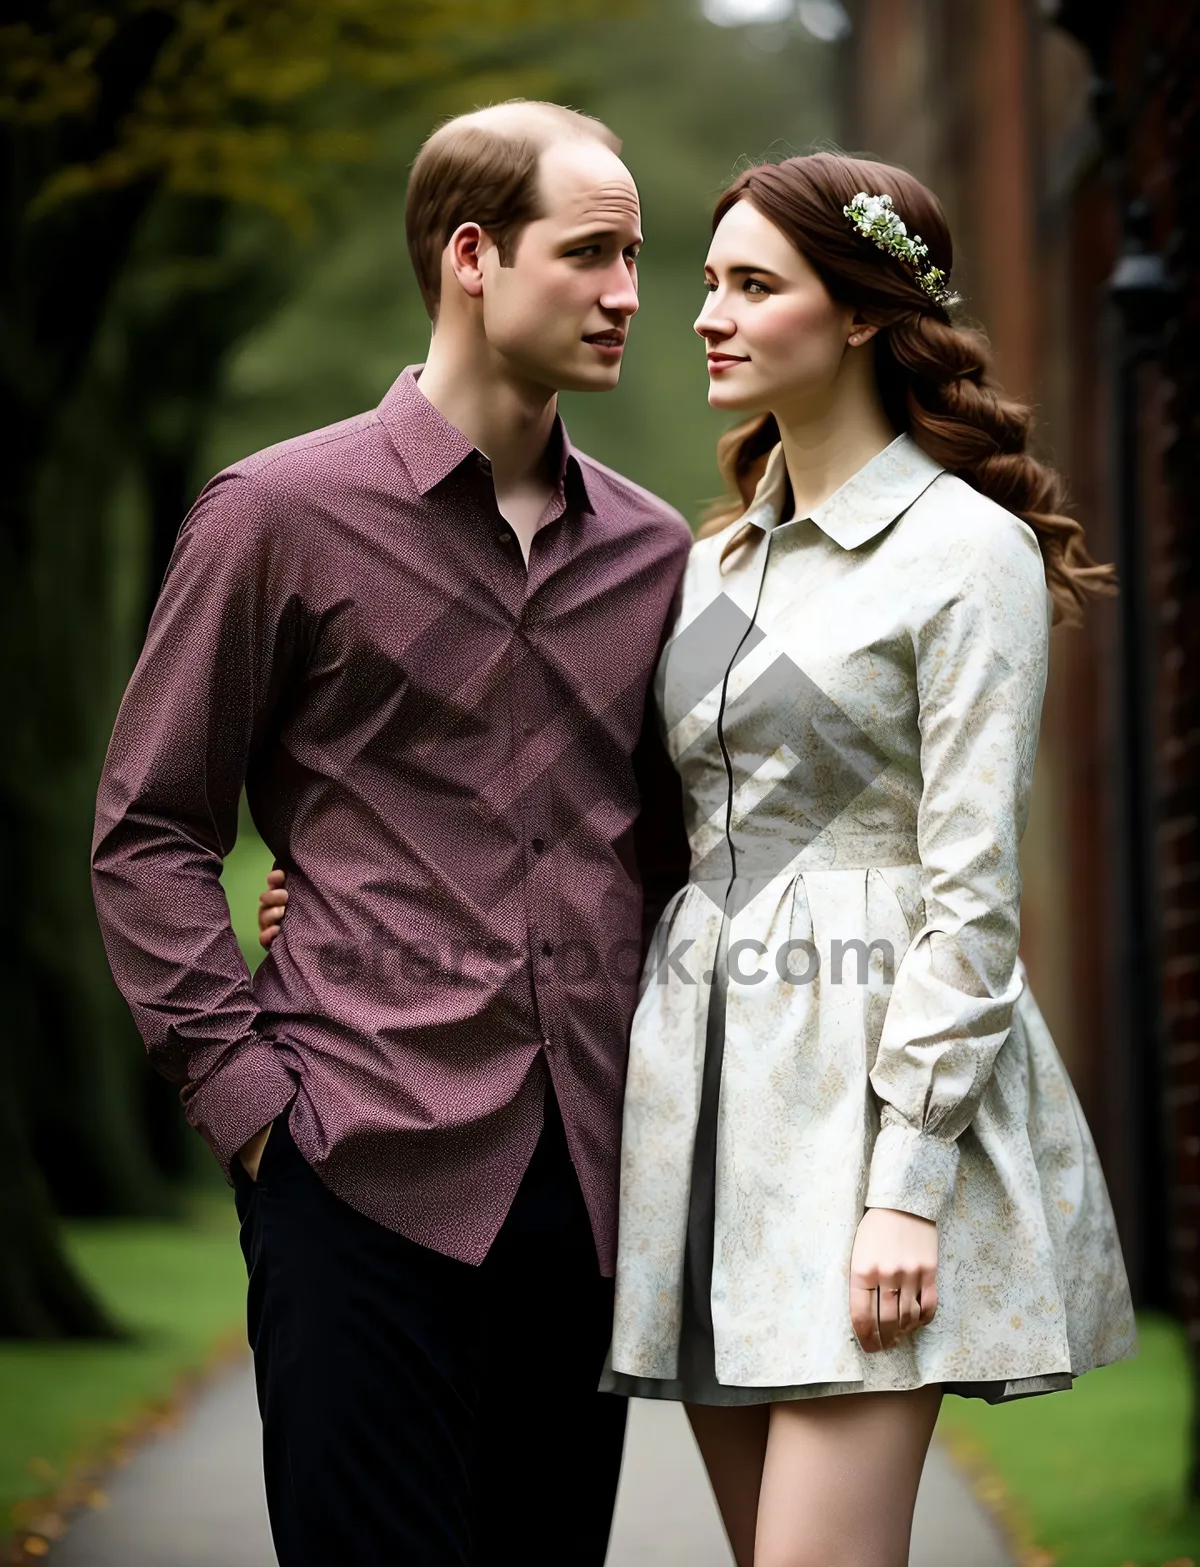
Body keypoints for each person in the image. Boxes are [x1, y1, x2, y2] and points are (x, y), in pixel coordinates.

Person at [258, 149, 1138, 1564]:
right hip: (708, 1116)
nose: (702, 313)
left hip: (870, 1096)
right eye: (707, 281)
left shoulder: (964, 553)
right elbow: (606, 813)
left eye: (750, 285)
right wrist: (337, 878)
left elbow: (973, 891)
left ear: (856, 314)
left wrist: (905, 1186)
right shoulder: (712, 562)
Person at [91, 100, 694, 1567]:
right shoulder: (279, 515)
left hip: (588, 1195)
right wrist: (246, 1111)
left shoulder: (659, 554)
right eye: (594, 253)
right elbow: (151, 829)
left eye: (639, 256)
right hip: (350, 1165)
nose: (631, 294)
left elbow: (671, 857)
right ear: (474, 256)